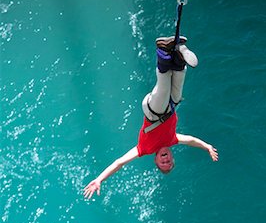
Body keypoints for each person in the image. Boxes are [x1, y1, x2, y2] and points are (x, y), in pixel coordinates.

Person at [84, 36, 218, 199]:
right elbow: (190, 140)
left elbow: (119, 163)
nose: (166, 160)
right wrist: (207, 147)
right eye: (169, 161)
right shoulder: (172, 139)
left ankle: (162, 50)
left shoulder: (144, 148)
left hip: (153, 110)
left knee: (163, 87)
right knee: (177, 84)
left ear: (156, 160)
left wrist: (99, 179)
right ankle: (178, 55)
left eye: (163, 163)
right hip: (171, 105)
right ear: (171, 155)